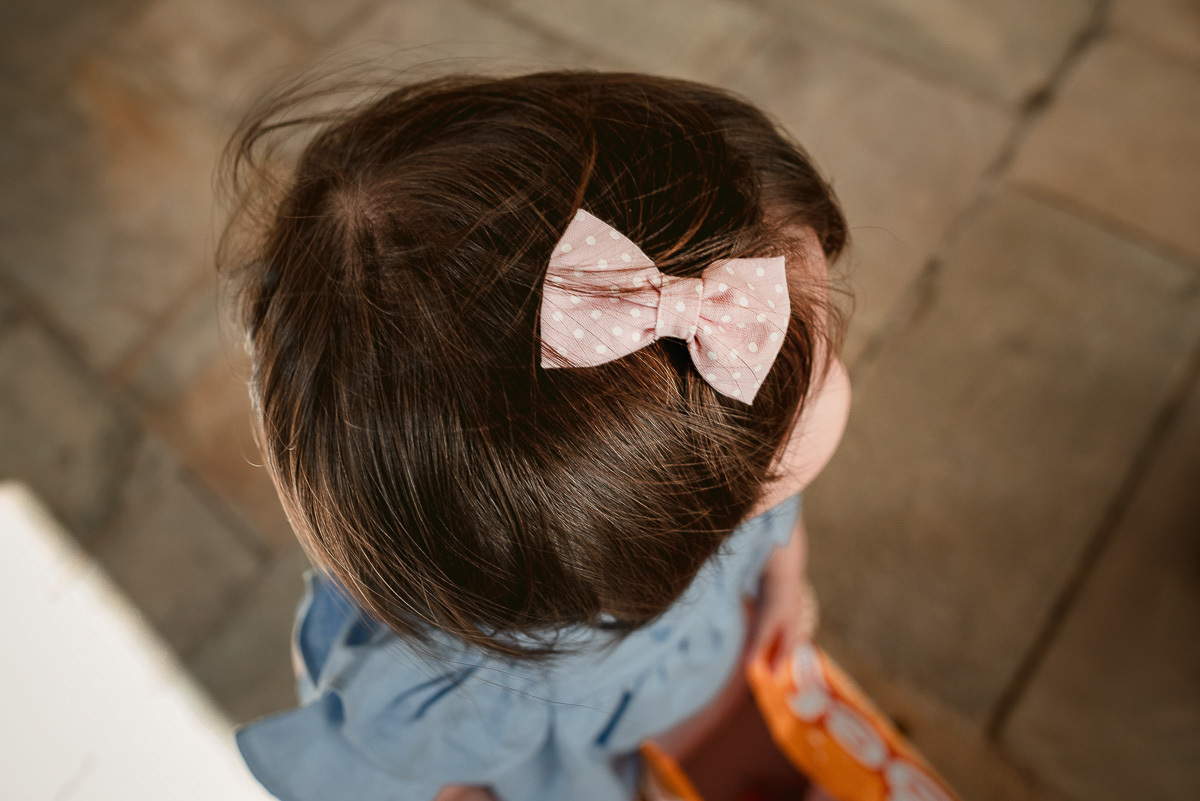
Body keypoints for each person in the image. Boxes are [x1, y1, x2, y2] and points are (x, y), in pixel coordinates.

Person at [218, 69, 852, 801]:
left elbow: (772, 519)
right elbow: (404, 773)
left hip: (699, 668)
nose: (841, 360)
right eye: (825, 354)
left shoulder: (706, 459)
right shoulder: (471, 687)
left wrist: (782, 576)